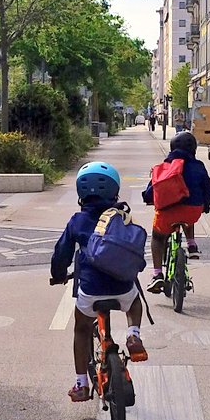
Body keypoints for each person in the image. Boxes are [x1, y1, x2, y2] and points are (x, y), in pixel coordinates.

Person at [51, 162, 148, 402]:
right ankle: (133, 334)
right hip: (123, 287)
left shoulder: (77, 220)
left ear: (80, 193)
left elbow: (61, 253)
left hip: (91, 290)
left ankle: (81, 384)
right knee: (135, 301)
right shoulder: (122, 216)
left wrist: (59, 273)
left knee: (82, 328)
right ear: (114, 192)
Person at [143, 130, 210, 292]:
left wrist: (148, 199)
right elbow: (208, 189)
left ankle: (157, 275)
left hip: (167, 214)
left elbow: (151, 190)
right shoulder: (199, 166)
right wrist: (206, 206)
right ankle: (191, 244)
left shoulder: (164, 167)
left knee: (157, 237)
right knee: (188, 213)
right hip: (193, 211)